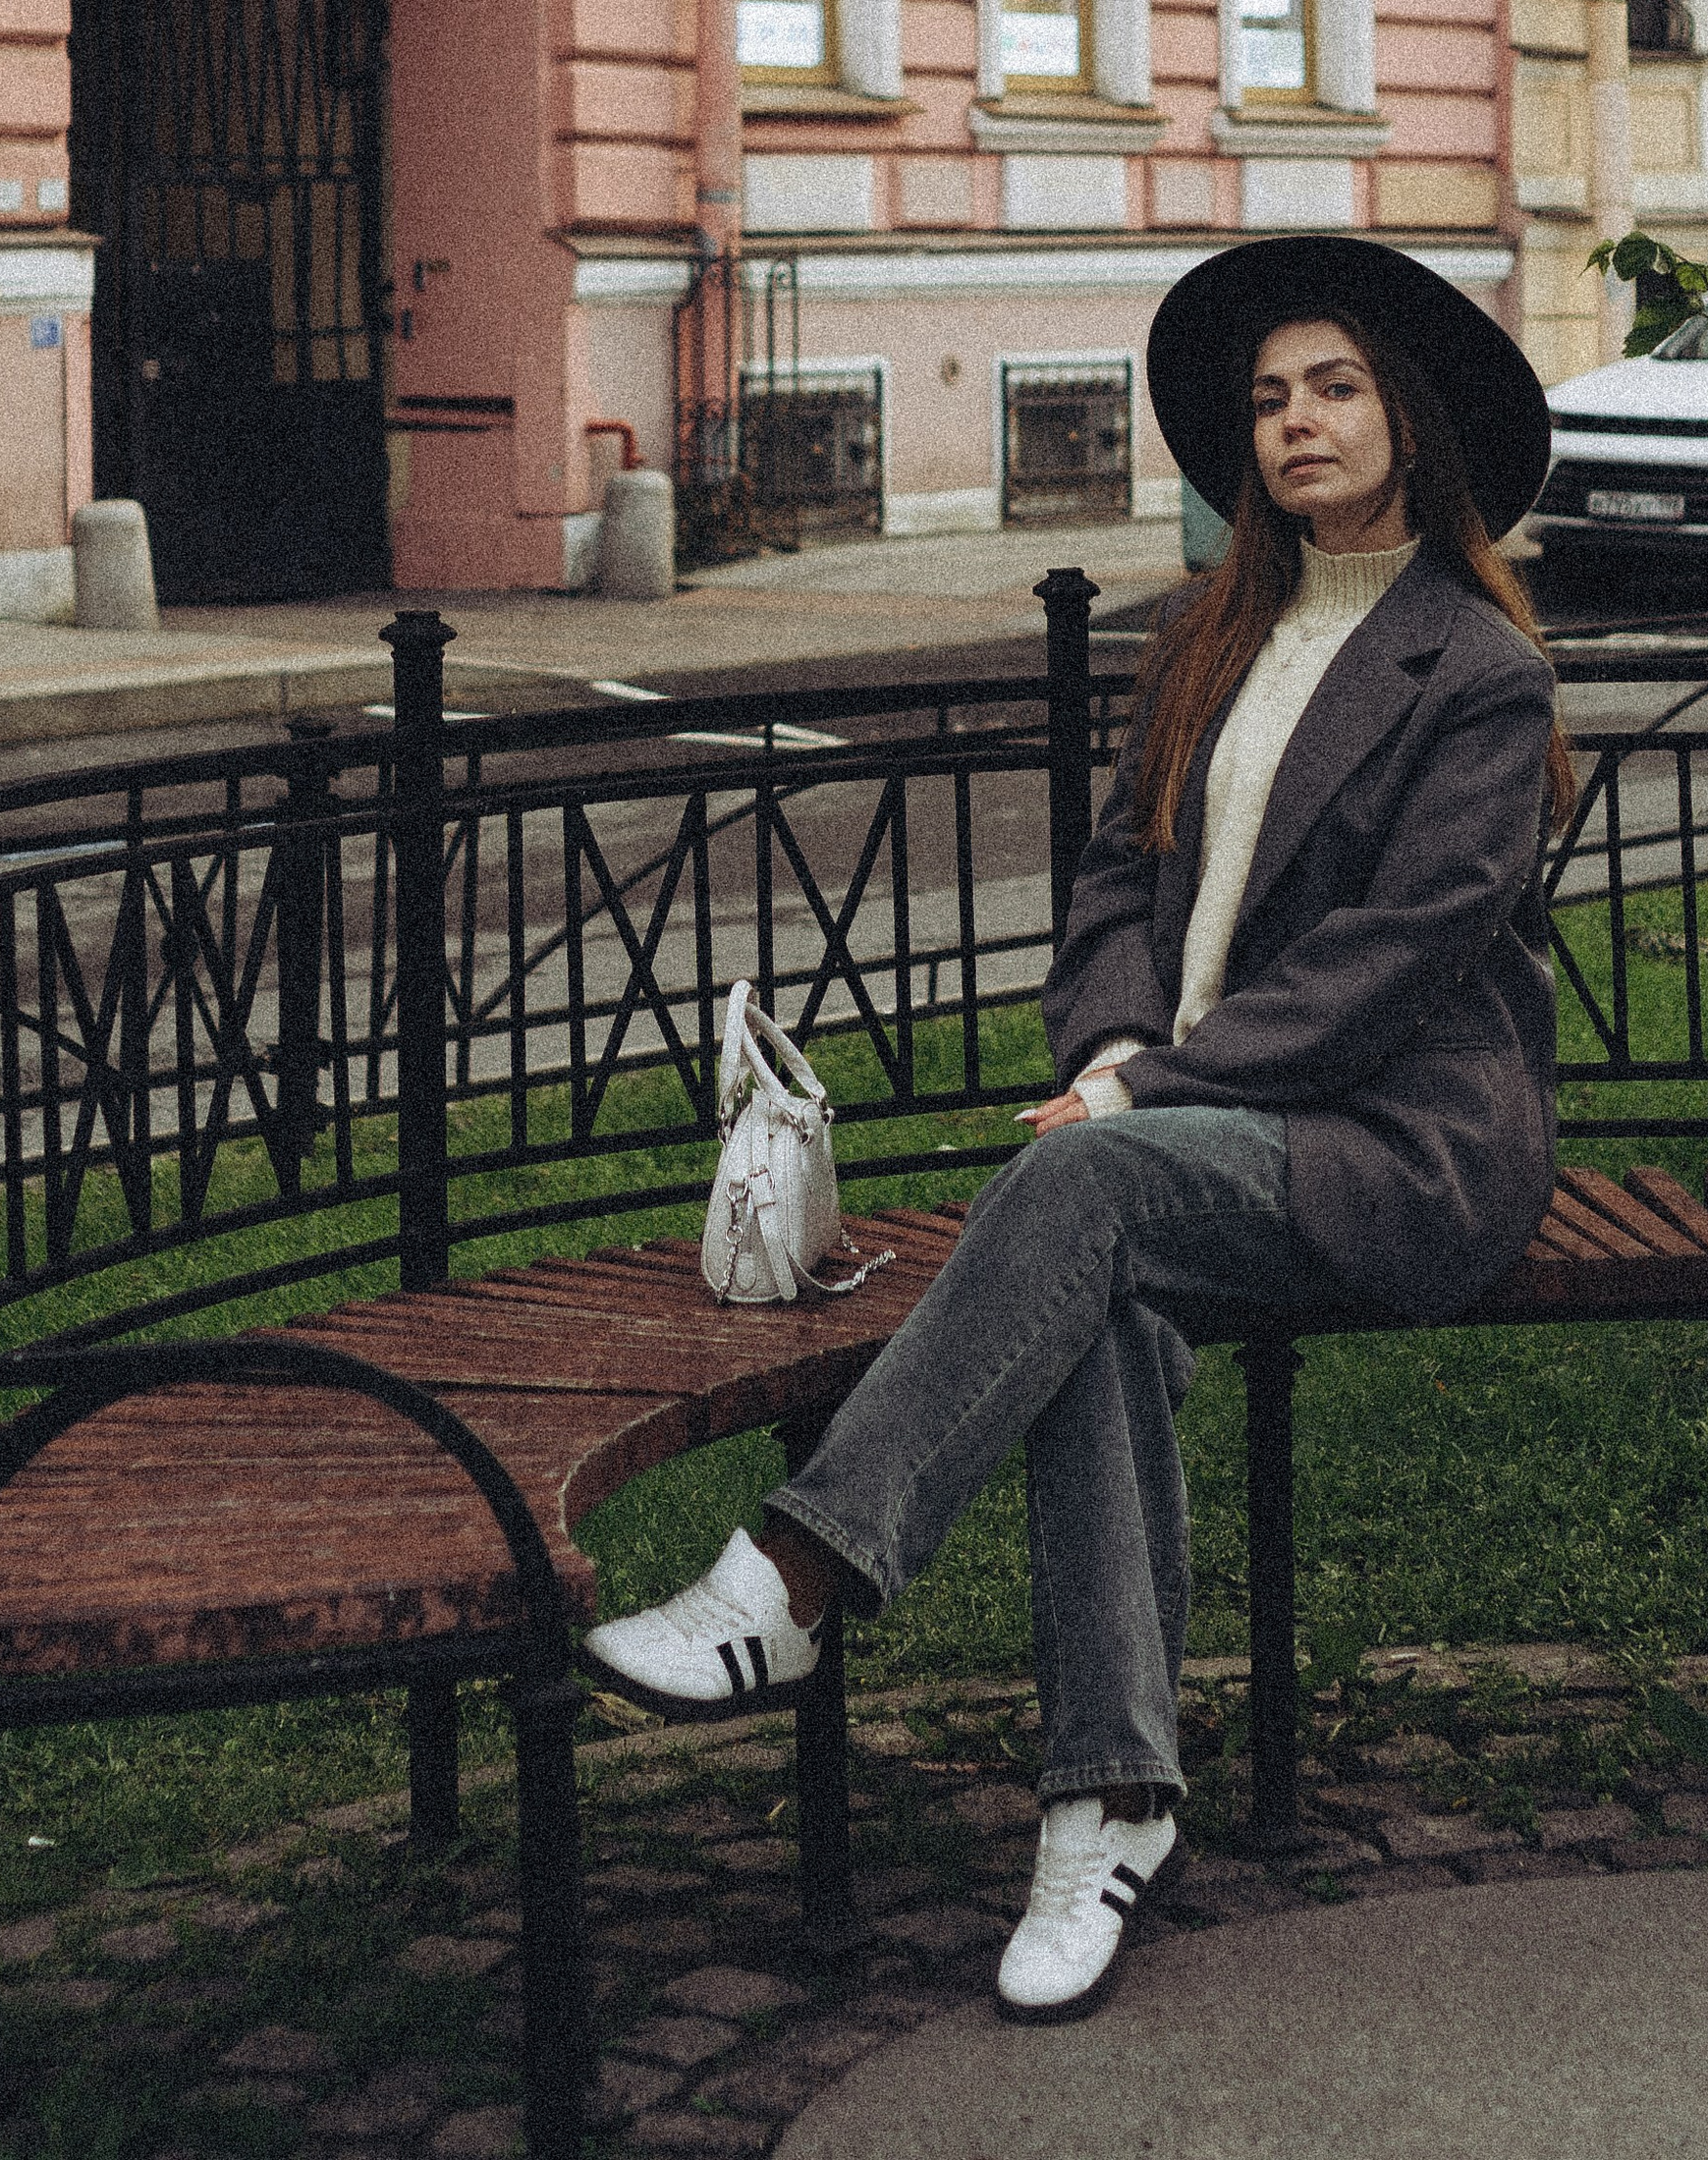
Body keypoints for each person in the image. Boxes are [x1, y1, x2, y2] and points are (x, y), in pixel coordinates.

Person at [589, 238, 1573, 2024]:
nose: (1295, 423)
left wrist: (1144, 1090)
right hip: (1191, 1140)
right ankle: (1108, 1802)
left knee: (1088, 1183)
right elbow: (1121, 878)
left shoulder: (1478, 671)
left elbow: (1397, 959)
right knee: (1096, 1293)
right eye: (1268, 399)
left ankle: (794, 1576)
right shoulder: (1210, 636)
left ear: (1412, 420)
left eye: (1335, 387)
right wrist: (1119, 1036)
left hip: (1393, 1142)